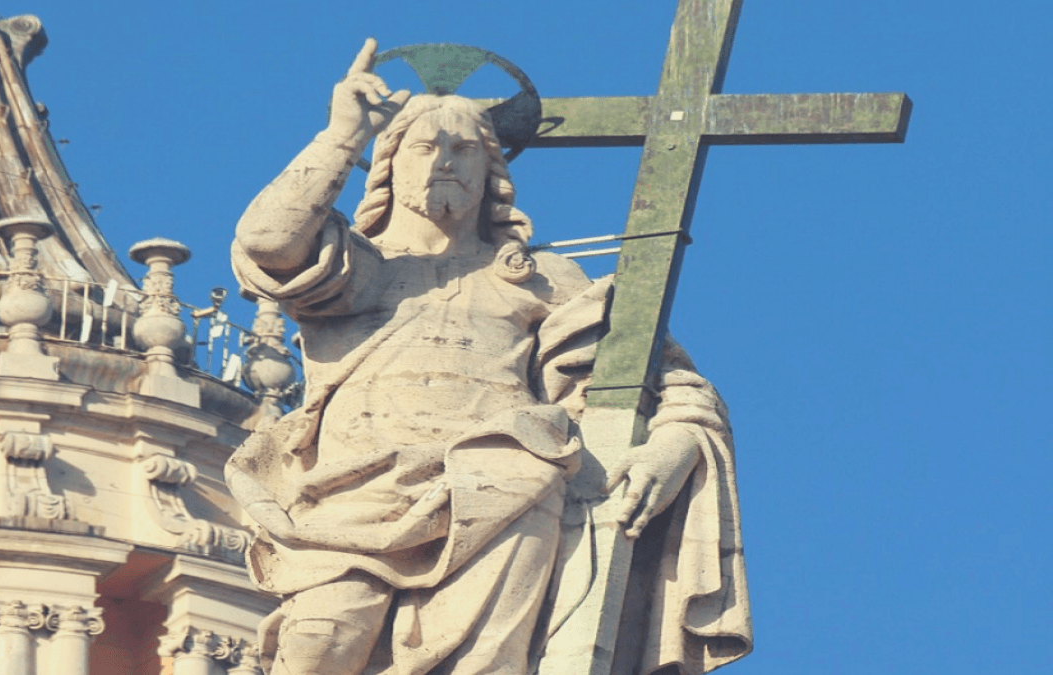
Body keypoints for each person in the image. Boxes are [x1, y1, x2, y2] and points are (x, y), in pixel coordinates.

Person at [226, 39, 750, 675]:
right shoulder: (357, 269)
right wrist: (343, 135)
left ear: (491, 170)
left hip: (503, 490)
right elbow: (268, 241)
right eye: (425, 145)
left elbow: (670, 383)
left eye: (465, 147)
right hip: (346, 495)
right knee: (317, 646)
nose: (445, 160)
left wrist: (670, 448)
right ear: (389, 164)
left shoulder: (543, 280)